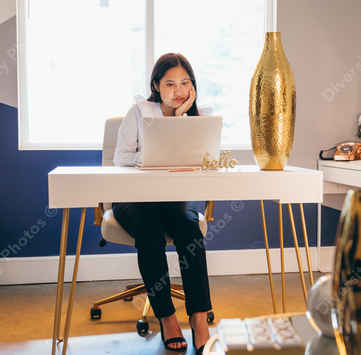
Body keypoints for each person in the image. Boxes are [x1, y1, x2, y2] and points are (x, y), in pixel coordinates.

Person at [112, 53, 212, 354]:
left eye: (185, 83)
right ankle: (167, 318)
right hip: (133, 198)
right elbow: (121, 159)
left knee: (190, 233)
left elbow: (202, 160)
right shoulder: (139, 112)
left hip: (170, 201)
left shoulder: (197, 118)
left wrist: (183, 116)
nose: (178, 90)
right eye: (170, 83)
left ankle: (198, 318)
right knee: (150, 233)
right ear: (156, 85)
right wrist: (151, 158)